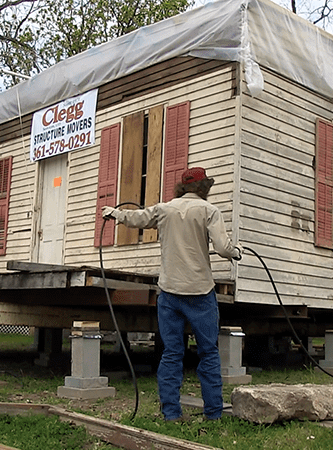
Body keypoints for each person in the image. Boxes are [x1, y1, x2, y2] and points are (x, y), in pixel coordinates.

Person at [102, 167, 241, 421]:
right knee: (208, 353)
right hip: (200, 291)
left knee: (172, 353)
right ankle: (213, 414)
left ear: (182, 187)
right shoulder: (209, 211)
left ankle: (171, 414)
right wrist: (236, 252)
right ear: (204, 188)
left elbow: (138, 218)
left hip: (169, 291)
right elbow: (222, 248)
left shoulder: (164, 209)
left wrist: (115, 214)